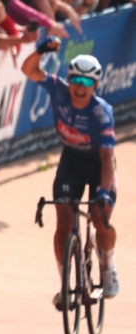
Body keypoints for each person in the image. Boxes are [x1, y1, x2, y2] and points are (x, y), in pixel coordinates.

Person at [21, 38, 119, 308]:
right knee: (63, 221)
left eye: (87, 83)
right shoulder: (59, 90)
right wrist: (40, 50)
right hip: (71, 161)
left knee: (100, 220)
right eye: (76, 80)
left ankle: (108, 266)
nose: (79, 87)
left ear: (95, 86)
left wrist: (102, 192)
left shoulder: (102, 112)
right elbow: (28, 70)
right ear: (69, 80)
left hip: (99, 164)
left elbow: (108, 158)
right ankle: (65, 285)